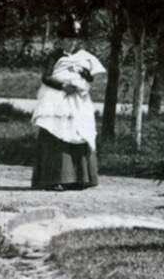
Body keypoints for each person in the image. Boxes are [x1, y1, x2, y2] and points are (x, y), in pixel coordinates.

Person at [30, 21, 107, 191]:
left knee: (79, 131)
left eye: (74, 40)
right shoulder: (54, 56)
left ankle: (80, 179)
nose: (71, 43)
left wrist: (84, 75)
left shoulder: (83, 56)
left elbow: (91, 77)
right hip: (57, 98)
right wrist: (63, 86)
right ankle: (54, 179)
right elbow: (46, 77)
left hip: (78, 99)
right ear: (60, 40)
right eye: (67, 40)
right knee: (57, 132)